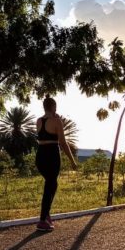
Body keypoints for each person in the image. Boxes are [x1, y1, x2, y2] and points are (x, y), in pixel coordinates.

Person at [35, 94, 78, 232]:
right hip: (52, 155)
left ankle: (46, 215)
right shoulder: (56, 121)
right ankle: (42, 220)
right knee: (50, 185)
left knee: (51, 184)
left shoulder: (38, 121)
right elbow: (63, 143)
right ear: (53, 106)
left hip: (40, 155)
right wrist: (72, 160)